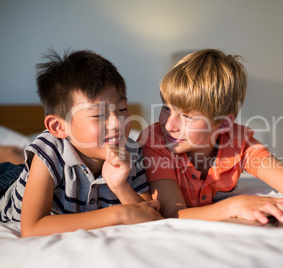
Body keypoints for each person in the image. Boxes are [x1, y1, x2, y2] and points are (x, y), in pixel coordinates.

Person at [138, 49, 283, 229]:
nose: (169, 125)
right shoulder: (155, 141)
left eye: (187, 117)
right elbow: (172, 214)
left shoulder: (237, 141)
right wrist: (234, 205)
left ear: (223, 125)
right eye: (166, 108)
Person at [0, 49, 162, 237]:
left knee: (19, 164)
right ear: (59, 127)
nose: (117, 123)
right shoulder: (49, 149)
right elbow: (32, 227)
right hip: (6, 184)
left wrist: (121, 186)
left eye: (122, 109)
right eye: (98, 115)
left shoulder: (132, 152)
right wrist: (119, 213)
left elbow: (149, 216)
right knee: (14, 167)